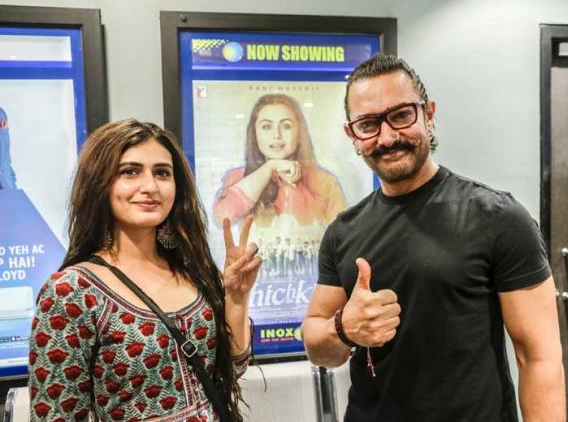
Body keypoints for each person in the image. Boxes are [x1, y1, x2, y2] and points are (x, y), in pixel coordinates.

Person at [302, 55, 565, 422]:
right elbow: (318, 346)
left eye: (401, 115)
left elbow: (538, 357)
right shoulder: (342, 232)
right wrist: (343, 328)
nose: (387, 137)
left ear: (428, 114)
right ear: (353, 135)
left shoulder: (499, 217)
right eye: (368, 124)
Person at [28, 119, 260, 421]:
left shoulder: (191, 270)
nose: (150, 186)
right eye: (130, 171)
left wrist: (237, 298)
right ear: (99, 183)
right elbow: (56, 415)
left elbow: (232, 368)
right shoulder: (71, 292)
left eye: (162, 173)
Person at [212, 93, 346, 228]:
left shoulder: (325, 182)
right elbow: (222, 219)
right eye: (266, 127)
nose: (276, 135)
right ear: (254, 134)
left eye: (286, 126)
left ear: (299, 132)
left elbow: (342, 235)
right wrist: (270, 167)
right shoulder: (238, 178)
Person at [0, 107, 18, 189]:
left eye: (4, 124)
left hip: (9, 190)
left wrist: (14, 189)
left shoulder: (1, 113)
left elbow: (6, 162)